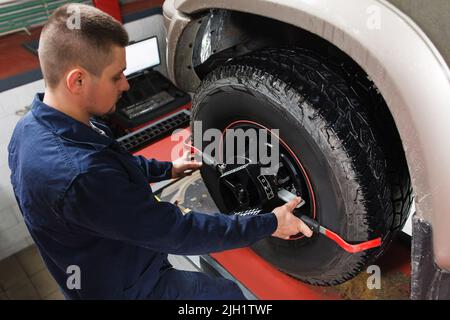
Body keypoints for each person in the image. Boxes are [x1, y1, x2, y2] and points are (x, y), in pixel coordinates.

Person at [8, 4, 312, 300]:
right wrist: (270, 223)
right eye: (116, 76)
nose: (126, 85)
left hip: (103, 263)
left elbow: (113, 163)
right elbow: (178, 232)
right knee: (228, 296)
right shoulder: (81, 176)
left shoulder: (30, 128)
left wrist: (165, 169)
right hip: (128, 288)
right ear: (77, 80)